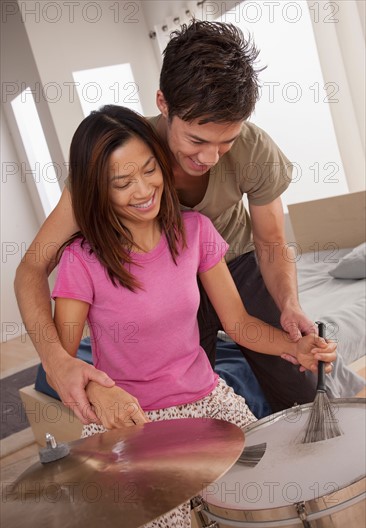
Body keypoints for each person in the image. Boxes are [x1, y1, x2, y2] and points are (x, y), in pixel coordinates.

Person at [51, 105, 336, 528]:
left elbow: (238, 324)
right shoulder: (80, 262)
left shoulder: (195, 231)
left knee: (265, 516)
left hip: (209, 400)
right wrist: (96, 391)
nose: (143, 190)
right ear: (96, 191)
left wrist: (294, 348)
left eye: (149, 170)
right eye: (122, 182)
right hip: (132, 422)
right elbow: (64, 363)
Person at [15, 20, 317, 423]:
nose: (211, 157)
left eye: (226, 141)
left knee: (301, 383)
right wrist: (56, 362)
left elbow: (271, 242)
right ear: (163, 104)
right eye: (197, 140)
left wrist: (289, 304)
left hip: (233, 261)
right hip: (169, 278)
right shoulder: (122, 154)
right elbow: (33, 266)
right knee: (183, 398)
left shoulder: (252, 152)